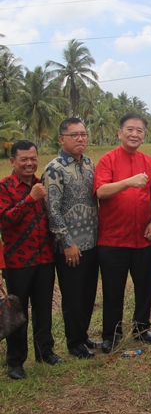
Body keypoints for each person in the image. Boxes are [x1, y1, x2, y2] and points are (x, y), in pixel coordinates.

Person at [94, 113, 151, 353]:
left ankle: (142, 328)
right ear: (119, 132)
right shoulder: (107, 160)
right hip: (113, 240)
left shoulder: (148, 162)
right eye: (130, 129)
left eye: (140, 130)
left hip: (143, 238)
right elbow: (101, 191)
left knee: (144, 286)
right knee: (113, 289)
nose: (135, 134)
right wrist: (128, 182)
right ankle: (111, 334)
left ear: (144, 135)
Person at [0, 140, 64, 380]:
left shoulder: (43, 184)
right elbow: (4, 220)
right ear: (12, 162)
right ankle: (15, 362)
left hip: (45, 257)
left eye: (33, 158)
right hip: (17, 261)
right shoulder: (4, 187)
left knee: (43, 307)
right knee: (18, 311)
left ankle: (44, 351)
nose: (29, 163)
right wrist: (28, 200)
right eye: (23, 159)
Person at [43, 118, 100, 359]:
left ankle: (82, 334)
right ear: (61, 139)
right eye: (74, 135)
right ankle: (74, 342)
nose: (80, 139)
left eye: (83, 134)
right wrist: (67, 243)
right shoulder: (54, 169)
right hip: (70, 246)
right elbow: (52, 210)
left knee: (88, 292)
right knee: (73, 294)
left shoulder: (89, 164)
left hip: (92, 242)